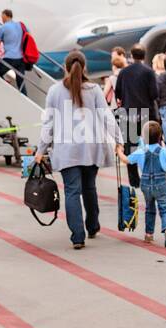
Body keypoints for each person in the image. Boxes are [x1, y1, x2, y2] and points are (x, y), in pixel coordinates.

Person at [34, 50, 119, 249]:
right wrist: (119, 140)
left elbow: (48, 124)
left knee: (72, 191)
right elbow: (106, 116)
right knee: (89, 188)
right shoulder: (94, 89)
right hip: (92, 148)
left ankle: (77, 236)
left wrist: (40, 150)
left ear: (65, 67)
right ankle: (92, 226)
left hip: (66, 151)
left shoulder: (55, 91)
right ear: (85, 67)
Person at [119, 120, 166, 247]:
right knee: (164, 207)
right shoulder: (163, 151)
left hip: (146, 184)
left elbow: (126, 160)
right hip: (161, 184)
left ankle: (149, 234)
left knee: (149, 208)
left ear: (144, 137)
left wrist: (119, 151)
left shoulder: (141, 151)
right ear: (160, 136)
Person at [113, 45, 159, 189]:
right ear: (144, 56)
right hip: (147, 114)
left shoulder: (124, 73)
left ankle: (134, 181)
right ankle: (151, 175)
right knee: (151, 146)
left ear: (131, 55)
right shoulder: (149, 72)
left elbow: (118, 93)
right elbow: (154, 94)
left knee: (131, 148)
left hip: (129, 114)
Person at [0, 9, 28, 93]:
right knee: (21, 83)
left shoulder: (3, 27)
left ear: (6, 15)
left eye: (2, 16)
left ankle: (6, 91)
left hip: (10, 57)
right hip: (21, 58)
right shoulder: (20, 25)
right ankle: (25, 100)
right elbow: (28, 37)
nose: (2, 19)